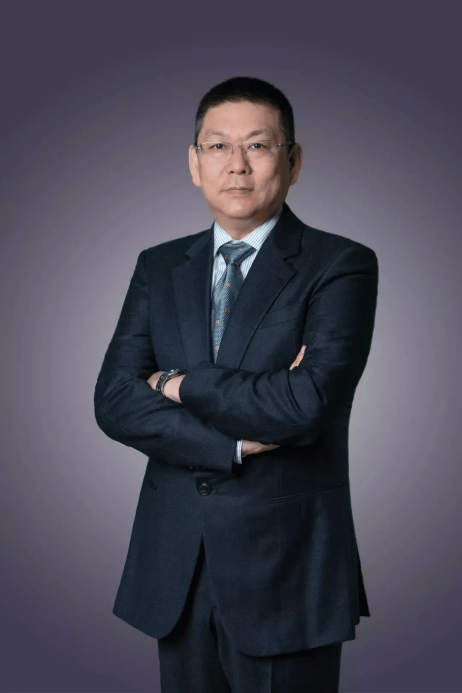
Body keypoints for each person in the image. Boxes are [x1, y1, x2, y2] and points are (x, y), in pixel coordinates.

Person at [94, 76, 378, 693]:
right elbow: (114, 401)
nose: (237, 165)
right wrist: (234, 444)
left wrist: (174, 382)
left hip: (287, 568)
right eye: (218, 146)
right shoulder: (159, 265)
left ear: (293, 161)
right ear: (194, 163)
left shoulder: (341, 264)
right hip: (176, 564)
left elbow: (304, 404)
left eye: (258, 145)